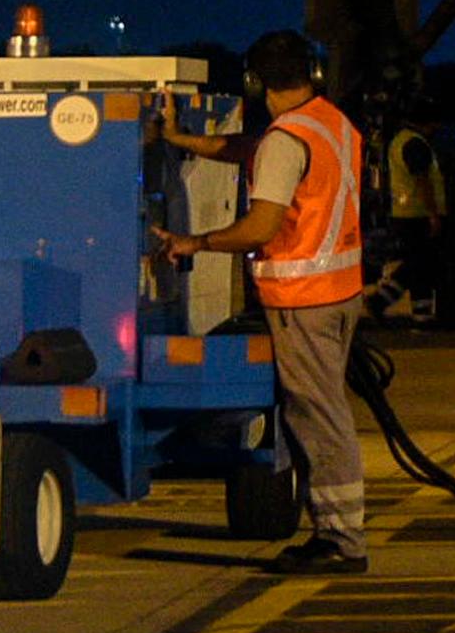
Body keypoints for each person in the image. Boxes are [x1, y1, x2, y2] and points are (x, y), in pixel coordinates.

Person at [150, 31, 370, 575]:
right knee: (323, 414)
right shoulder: (329, 124)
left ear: (254, 82)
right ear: (311, 74)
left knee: (320, 420)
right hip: (338, 293)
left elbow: (261, 227)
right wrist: (185, 140)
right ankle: (338, 534)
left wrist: (194, 241)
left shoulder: (284, 140)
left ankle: (342, 541)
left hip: (303, 300)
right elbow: (250, 150)